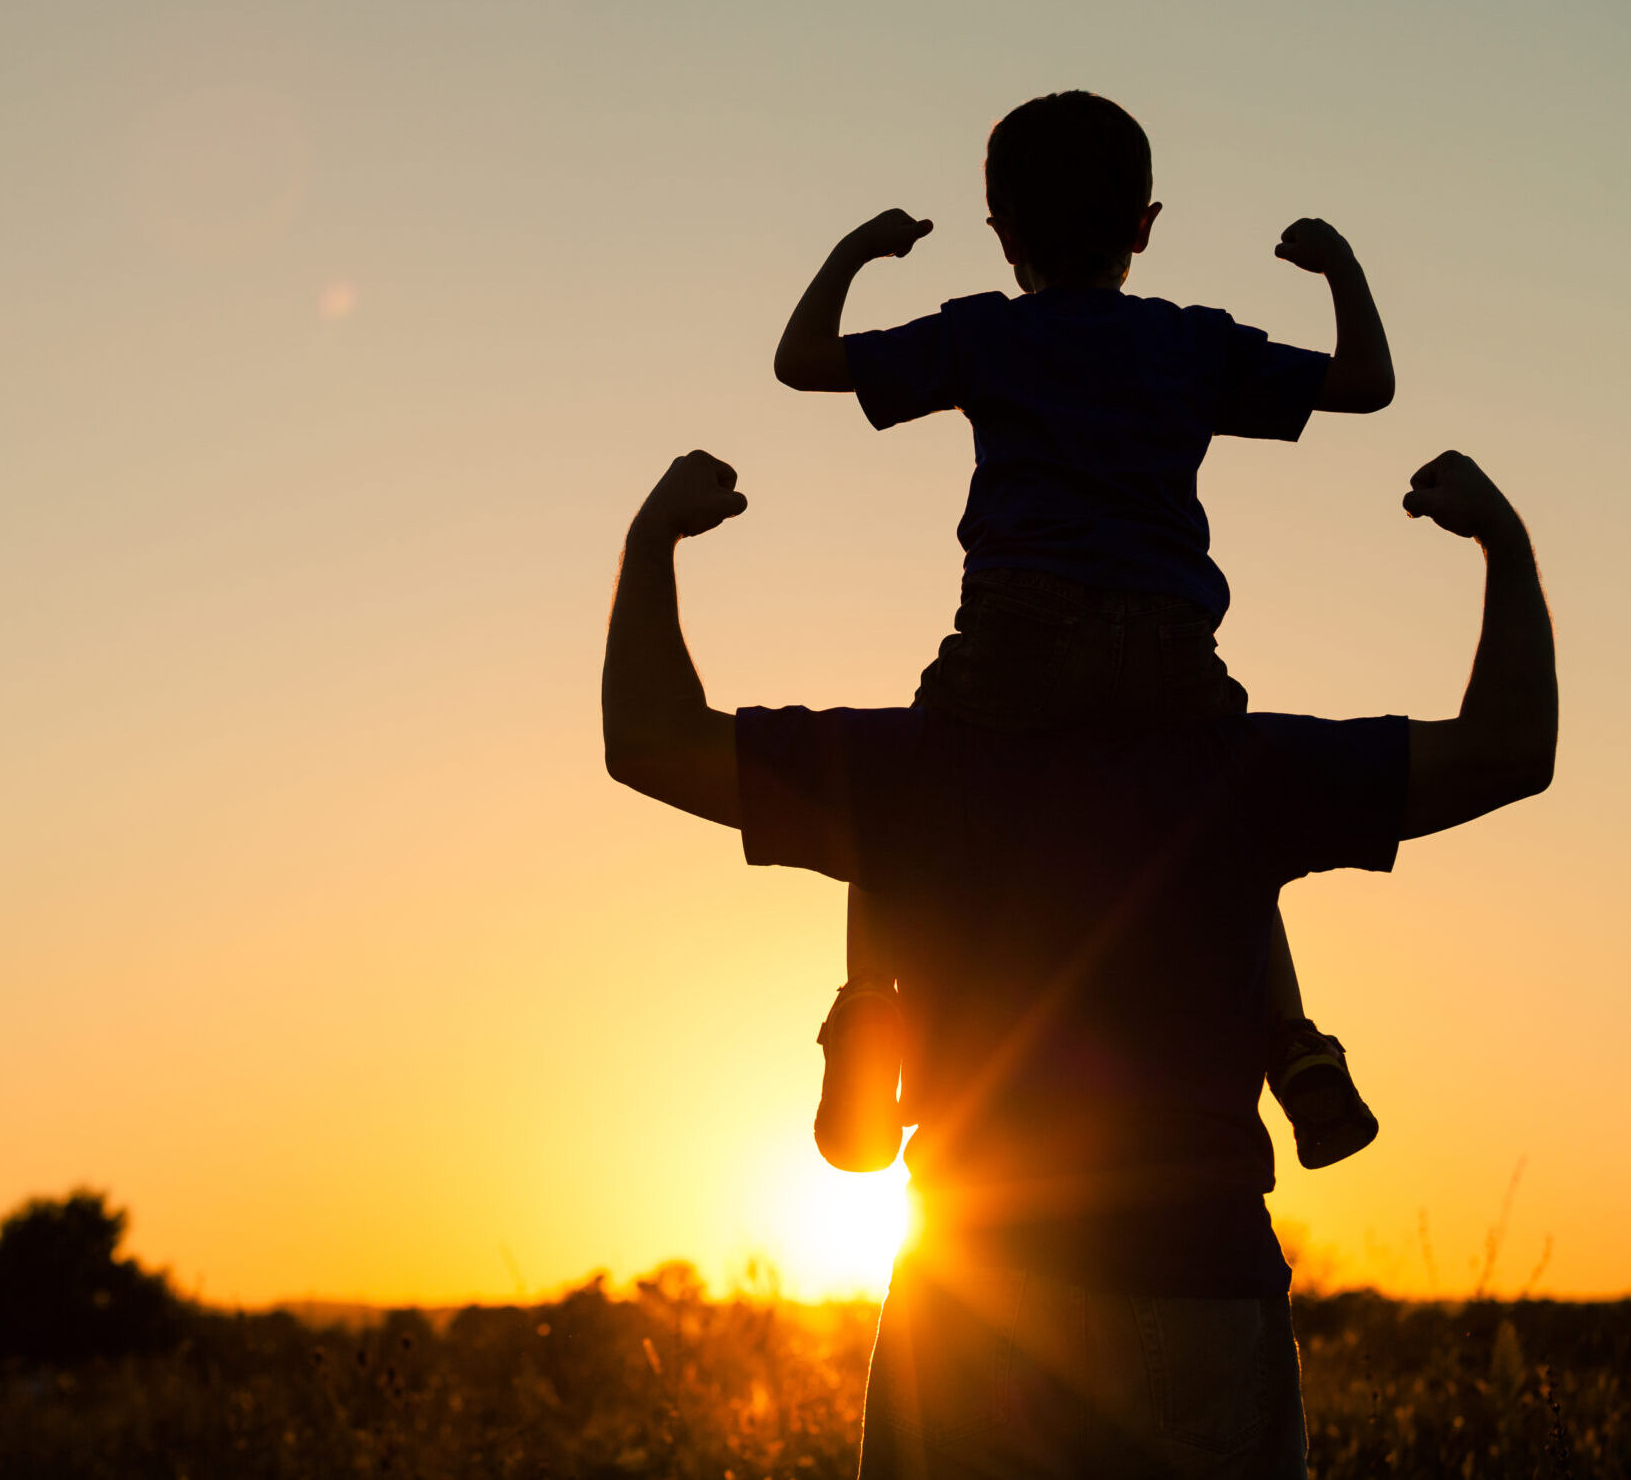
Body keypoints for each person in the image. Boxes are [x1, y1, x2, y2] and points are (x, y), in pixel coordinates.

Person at [602, 447, 1554, 1477]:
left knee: (870, 846)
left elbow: (649, 741)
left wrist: (651, 541)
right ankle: (1295, 1046)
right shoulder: (1240, 770)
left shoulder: (915, 768)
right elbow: (1507, 748)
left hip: (979, 1296)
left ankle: (868, 1012)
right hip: (1204, 1283)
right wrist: (1504, 545)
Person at [773, 91, 1397, 1173]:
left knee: (887, 796)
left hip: (1017, 632)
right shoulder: (1188, 344)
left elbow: (803, 360)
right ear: (1145, 226)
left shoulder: (986, 331)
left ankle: (872, 1010)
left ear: (999, 228)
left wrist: (858, 252)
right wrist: (1340, 269)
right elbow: (1364, 385)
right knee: (1230, 832)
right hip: (1168, 647)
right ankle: (1291, 1043)